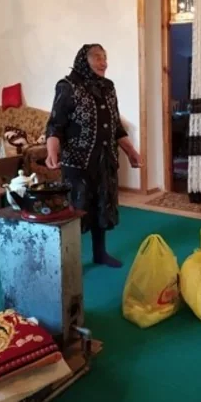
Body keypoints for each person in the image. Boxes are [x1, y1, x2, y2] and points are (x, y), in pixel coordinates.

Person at [45, 44, 142, 268]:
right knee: (75, 211)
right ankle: (70, 261)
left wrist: (131, 152)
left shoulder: (108, 87)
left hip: (105, 160)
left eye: (105, 57)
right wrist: (52, 152)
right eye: (97, 58)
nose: (103, 63)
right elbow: (55, 125)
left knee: (102, 207)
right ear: (84, 61)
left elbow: (116, 126)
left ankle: (100, 253)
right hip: (77, 163)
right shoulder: (68, 86)